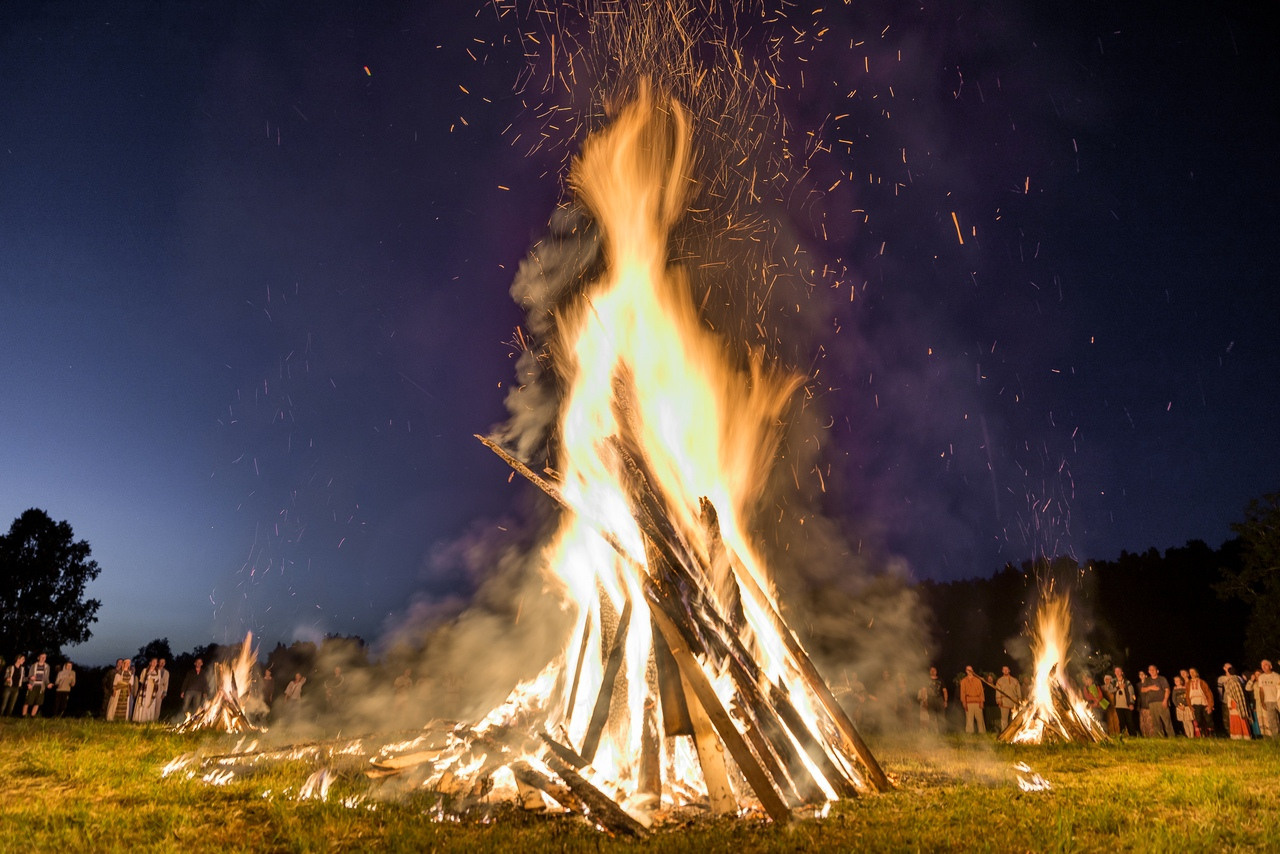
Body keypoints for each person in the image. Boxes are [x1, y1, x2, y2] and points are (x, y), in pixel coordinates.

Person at [1221, 664, 1253, 739]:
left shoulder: (1235, 680)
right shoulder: (1229, 679)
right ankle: (1236, 735)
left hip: (1235, 701)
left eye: (1227, 668)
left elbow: (1239, 694)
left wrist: (1237, 702)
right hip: (1231, 701)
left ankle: (1244, 735)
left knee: (1240, 717)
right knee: (1233, 718)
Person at [1143, 665, 1174, 737]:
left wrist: (1165, 700)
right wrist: (1151, 687)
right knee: (1155, 722)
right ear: (1148, 671)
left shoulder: (1162, 679)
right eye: (1150, 670)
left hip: (1162, 701)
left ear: (1157, 671)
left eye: (1153, 669)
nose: (1151, 671)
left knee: (1167, 721)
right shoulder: (1147, 680)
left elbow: (1167, 690)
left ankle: (1171, 736)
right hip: (1152, 703)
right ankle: (1160, 737)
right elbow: (1143, 689)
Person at [1186, 668, 1215, 737]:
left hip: (1204, 702)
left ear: (1196, 673)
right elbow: (1187, 695)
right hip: (1194, 703)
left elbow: (1208, 693)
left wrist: (1210, 705)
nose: (1192, 674)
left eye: (1193, 672)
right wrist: (1190, 706)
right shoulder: (1189, 683)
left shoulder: (1202, 682)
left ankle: (1211, 734)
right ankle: (1203, 733)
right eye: (1190, 672)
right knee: (1198, 719)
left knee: (1208, 718)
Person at [22, 653, 51, 717]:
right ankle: (23, 715)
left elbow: (46, 677)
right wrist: (29, 684)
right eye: (42, 657)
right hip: (33, 685)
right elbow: (30, 676)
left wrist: (48, 684)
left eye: (45, 657)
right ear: (38, 658)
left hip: (41, 687)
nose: (43, 658)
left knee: (38, 702)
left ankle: (33, 715)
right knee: (28, 701)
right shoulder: (33, 665)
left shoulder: (47, 666)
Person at [920, 666, 948, 732]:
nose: (932, 671)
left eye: (934, 670)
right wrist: (924, 700)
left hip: (939, 699)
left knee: (941, 716)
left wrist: (945, 701)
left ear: (936, 671)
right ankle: (932, 732)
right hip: (930, 699)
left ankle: (942, 731)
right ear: (930, 672)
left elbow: (945, 691)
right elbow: (923, 690)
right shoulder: (926, 680)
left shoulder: (940, 680)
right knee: (931, 716)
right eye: (931, 670)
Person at [958, 666, 986, 733]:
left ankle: (982, 732)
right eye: (968, 670)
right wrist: (964, 702)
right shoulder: (963, 681)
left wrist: (981, 701)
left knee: (980, 719)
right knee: (969, 719)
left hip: (977, 701)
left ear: (972, 671)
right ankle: (969, 733)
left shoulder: (978, 680)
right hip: (968, 702)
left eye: (970, 670)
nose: (969, 671)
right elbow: (962, 693)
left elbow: (981, 692)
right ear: (966, 671)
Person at [1112, 667, 1136, 735]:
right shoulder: (1113, 682)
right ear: (1114, 673)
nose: (1117, 672)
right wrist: (1118, 687)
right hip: (1118, 705)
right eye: (1116, 671)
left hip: (1127, 705)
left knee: (1130, 721)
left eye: (1119, 671)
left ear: (1122, 672)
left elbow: (1132, 693)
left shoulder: (1127, 682)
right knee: (1121, 722)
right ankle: (1122, 736)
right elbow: (1110, 690)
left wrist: (1131, 703)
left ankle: (1133, 736)